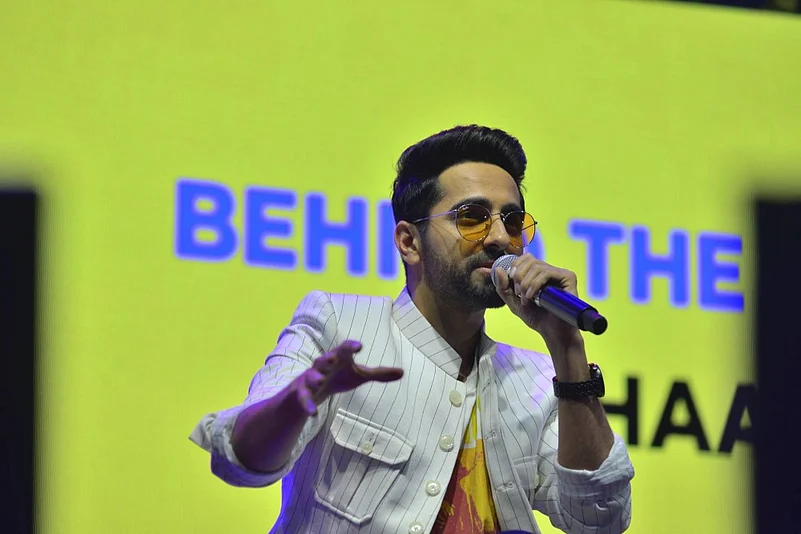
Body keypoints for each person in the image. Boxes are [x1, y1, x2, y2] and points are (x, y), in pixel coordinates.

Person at [189, 125, 635, 534]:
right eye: (472, 217)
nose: (501, 238)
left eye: (513, 221)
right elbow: (239, 462)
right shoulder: (339, 324)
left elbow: (600, 520)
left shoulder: (538, 380)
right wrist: (293, 404)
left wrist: (567, 349)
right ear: (408, 242)